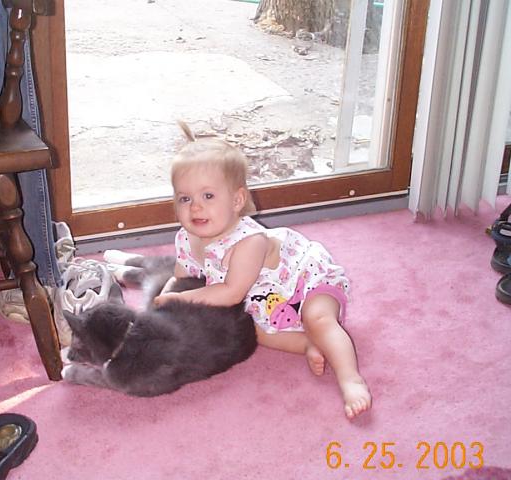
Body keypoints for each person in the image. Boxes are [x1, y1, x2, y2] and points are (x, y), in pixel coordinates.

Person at [154, 122, 371, 419]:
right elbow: (182, 278)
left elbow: (231, 292)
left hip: (304, 280)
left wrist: (179, 300)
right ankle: (309, 344)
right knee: (255, 333)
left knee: (318, 318)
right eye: (185, 198)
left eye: (208, 196)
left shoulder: (249, 241)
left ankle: (351, 379)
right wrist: (165, 299)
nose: (195, 208)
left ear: (237, 200)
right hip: (265, 300)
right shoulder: (185, 238)